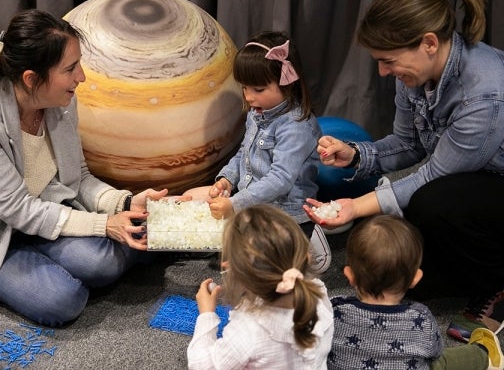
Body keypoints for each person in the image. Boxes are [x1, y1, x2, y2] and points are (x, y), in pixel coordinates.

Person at [0, 8, 168, 327]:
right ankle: (153, 237)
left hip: (48, 213)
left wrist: (125, 203)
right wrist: (105, 226)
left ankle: (152, 232)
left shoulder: (59, 100)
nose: (82, 77)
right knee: (61, 300)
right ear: (32, 78)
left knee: (99, 264)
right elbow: (16, 210)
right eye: (71, 68)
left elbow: (79, 179)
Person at [302, 0, 504, 334]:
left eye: (388, 61)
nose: (383, 72)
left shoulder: (485, 94)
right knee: (397, 260)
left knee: (431, 203)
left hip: (489, 184)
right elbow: (407, 144)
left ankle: (497, 283)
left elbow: (433, 175)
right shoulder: (416, 72)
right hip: (475, 181)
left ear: (428, 43)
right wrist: (353, 155)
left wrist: (352, 206)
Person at [183, 31, 330, 274]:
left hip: (284, 212)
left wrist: (234, 203)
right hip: (251, 201)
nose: (249, 96)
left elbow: (280, 180)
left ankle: (307, 239)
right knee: (191, 196)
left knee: (253, 267)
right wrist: (226, 179)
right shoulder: (257, 113)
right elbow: (243, 153)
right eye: (245, 88)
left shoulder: (295, 126)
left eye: (258, 89)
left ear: (288, 82)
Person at [329, 214, 503, 370]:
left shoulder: (332, 311)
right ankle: (484, 355)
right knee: (439, 362)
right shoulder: (420, 318)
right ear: (415, 278)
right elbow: (434, 352)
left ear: (349, 275)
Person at [187, 205, 333, 369]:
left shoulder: (248, 330)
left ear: (234, 272)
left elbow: (201, 366)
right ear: (305, 257)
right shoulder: (318, 290)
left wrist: (206, 315)